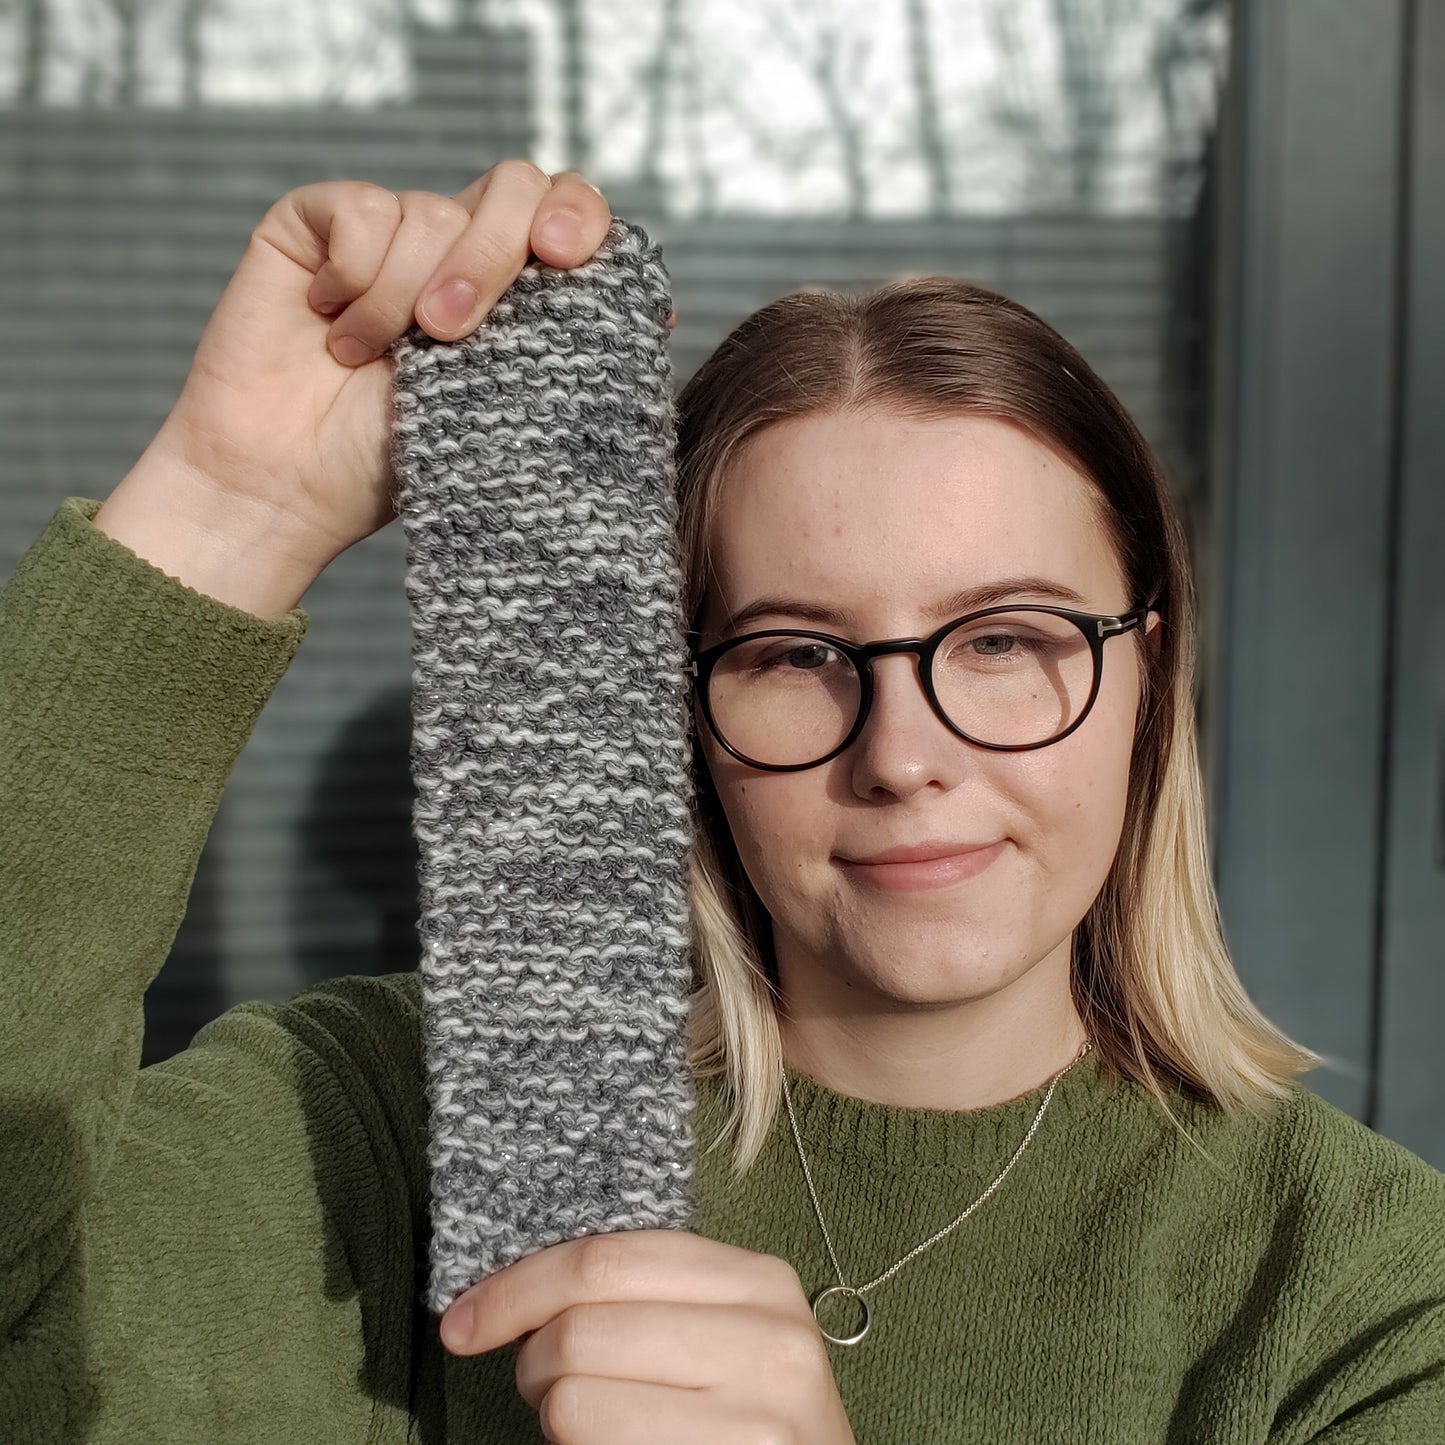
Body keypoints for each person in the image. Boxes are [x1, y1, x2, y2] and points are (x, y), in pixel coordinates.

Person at [2, 160, 1442, 1445]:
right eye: (793, 654)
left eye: (1004, 640)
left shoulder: (1362, 1292)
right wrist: (226, 507)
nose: (900, 753)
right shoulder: (384, 1127)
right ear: (677, 711)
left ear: (1149, 674)